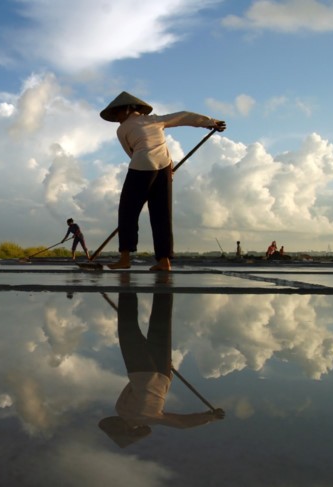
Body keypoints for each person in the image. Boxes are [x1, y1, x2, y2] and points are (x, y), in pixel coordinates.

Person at [100, 91, 226, 271]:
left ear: (128, 109)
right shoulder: (155, 120)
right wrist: (210, 122)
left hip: (142, 165)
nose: (117, 118)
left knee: (128, 211)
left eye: (117, 113)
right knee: (162, 215)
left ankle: (125, 258)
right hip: (164, 167)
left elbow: (132, 153)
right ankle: (164, 261)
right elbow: (183, 116)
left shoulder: (122, 130)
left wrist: (148, 167)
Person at [98, 292, 225, 447]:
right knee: (129, 327)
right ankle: (129, 286)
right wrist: (209, 417)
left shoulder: (152, 418)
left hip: (161, 372)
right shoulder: (122, 409)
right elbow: (131, 385)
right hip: (141, 370)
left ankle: (162, 281)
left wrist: (210, 417)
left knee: (161, 323)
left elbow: (182, 423)